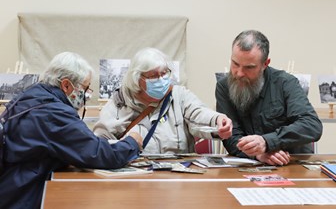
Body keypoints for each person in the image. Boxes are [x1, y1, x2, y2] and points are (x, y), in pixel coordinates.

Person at [0, 52, 143, 209]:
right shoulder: (53, 113)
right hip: (24, 197)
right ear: (66, 85)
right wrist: (132, 143)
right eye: (86, 87)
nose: (87, 94)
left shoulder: (30, 97)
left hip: (12, 189)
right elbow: (97, 153)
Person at [93, 47, 232, 154]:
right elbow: (100, 144)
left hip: (177, 177)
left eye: (164, 73)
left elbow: (198, 113)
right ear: (137, 78)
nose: (161, 79)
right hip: (137, 177)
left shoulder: (179, 95)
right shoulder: (120, 102)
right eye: (153, 75)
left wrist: (217, 120)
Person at [215, 30, 323, 166]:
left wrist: (267, 142)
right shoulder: (224, 86)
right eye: (235, 64)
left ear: (265, 63)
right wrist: (257, 153)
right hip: (250, 165)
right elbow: (231, 137)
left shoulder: (285, 83)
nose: (239, 73)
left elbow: (311, 125)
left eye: (249, 67)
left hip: (292, 164)